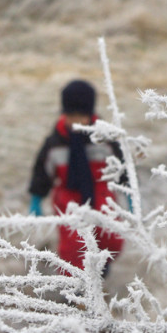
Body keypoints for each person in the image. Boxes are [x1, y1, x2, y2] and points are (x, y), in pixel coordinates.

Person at [28, 79, 125, 277]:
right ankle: (74, 287)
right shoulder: (55, 143)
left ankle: (101, 267)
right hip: (68, 199)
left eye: (82, 116)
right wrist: (36, 199)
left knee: (111, 236)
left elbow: (121, 166)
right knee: (73, 245)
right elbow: (42, 172)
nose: (77, 122)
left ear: (91, 114)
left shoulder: (104, 139)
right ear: (64, 113)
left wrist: (128, 193)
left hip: (102, 195)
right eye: (71, 116)